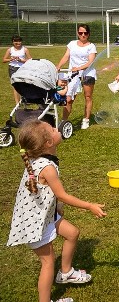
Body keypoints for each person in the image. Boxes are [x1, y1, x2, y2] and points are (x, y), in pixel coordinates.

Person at [6, 120, 106, 302]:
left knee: (72, 233)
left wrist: (56, 207)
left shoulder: (39, 160)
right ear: (49, 143)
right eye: (53, 129)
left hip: (45, 214)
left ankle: (66, 272)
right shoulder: (47, 168)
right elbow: (63, 195)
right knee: (48, 262)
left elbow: (49, 193)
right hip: (34, 223)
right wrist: (89, 205)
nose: (56, 128)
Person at [56, 24, 97, 130]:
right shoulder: (72, 44)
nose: (83, 35)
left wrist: (78, 68)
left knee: (87, 97)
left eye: (85, 33)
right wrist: (58, 66)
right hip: (73, 75)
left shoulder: (91, 46)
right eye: (80, 33)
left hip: (87, 74)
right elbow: (66, 56)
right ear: (77, 33)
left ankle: (86, 119)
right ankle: (63, 121)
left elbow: (90, 62)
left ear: (88, 34)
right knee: (68, 99)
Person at [3, 35, 32, 104]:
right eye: (16, 41)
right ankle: (17, 103)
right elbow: (4, 60)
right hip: (12, 68)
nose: (18, 43)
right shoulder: (10, 50)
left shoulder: (25, 49)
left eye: (19, 41)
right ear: (13, 42)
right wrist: (11, 59)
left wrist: (21, 60)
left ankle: (24, 99)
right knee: (15, 85)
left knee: (24, 84)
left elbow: (30, 60)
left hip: (22, 68)